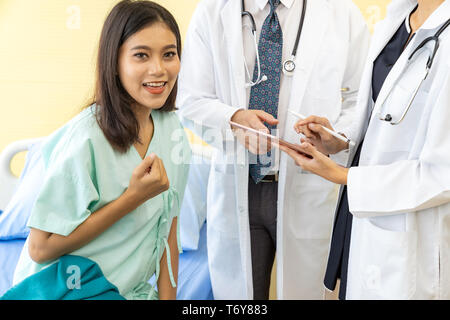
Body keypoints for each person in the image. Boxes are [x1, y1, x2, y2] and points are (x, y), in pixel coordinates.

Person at [177, 0, 370, 299]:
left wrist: (338, 137)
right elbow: (190, 99)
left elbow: (362, 96)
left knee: (306, 291)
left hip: (309, 187)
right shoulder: (213, 11)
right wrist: (233, 119)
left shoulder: (341, 12)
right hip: (237, 185)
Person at [8, 0, 191, 300]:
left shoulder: (173, 132)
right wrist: (132, 198)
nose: (159, 69)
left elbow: (168, 231)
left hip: (130, 291)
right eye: (141, 55)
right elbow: (40, 248)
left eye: (169, 54)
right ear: (115, 63)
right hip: (65, 290)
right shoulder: (86, 140)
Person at [280, 0, 450, 299]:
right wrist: (339, 142)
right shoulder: (396, 21)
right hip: (365, 222)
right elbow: (382, 124)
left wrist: (344, 176)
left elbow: (442, 174)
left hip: (411, 240)